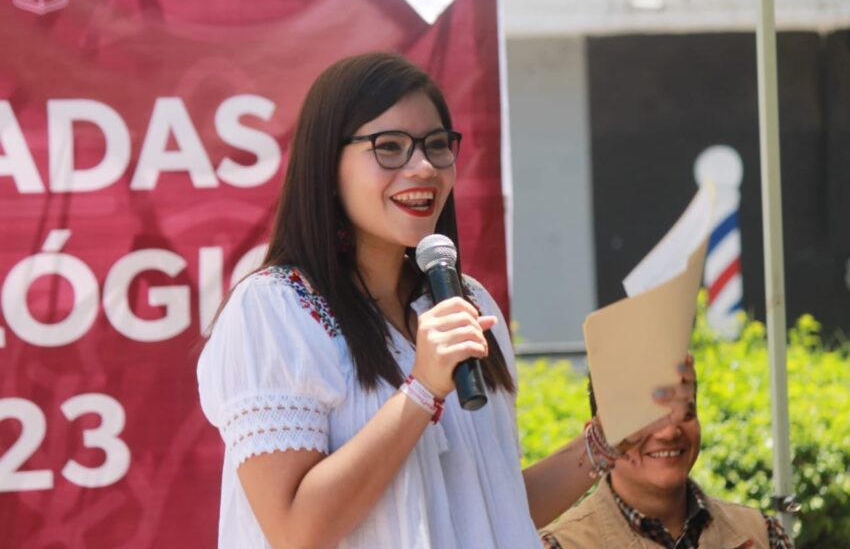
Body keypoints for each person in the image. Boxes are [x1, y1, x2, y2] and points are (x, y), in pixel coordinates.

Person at [197, 52, 695, 549]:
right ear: (328, 167)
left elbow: (491, 507)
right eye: (389, 147)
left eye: (437, 146)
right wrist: (421, 392)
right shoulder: (276, 310)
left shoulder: (468, 302)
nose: (423, 167)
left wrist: (607, 440)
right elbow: (294, 530)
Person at [539, 378, 794, 549]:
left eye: (684, 411)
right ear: (597, 437)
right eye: (645, 416)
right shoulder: (558, 544)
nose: (669, 432)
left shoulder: (762, 533)